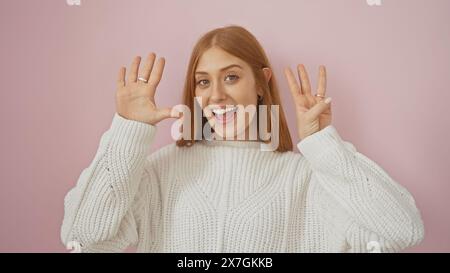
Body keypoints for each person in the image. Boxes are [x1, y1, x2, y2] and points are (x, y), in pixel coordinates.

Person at [60, 25, 424, 253]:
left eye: (231, 77)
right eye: (204, 81)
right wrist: (128, 133)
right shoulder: (161, 172)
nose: (216, 95)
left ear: (262, 83)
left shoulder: (305, 178)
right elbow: (84, 238)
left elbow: (401, 232)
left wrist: (323, 145)